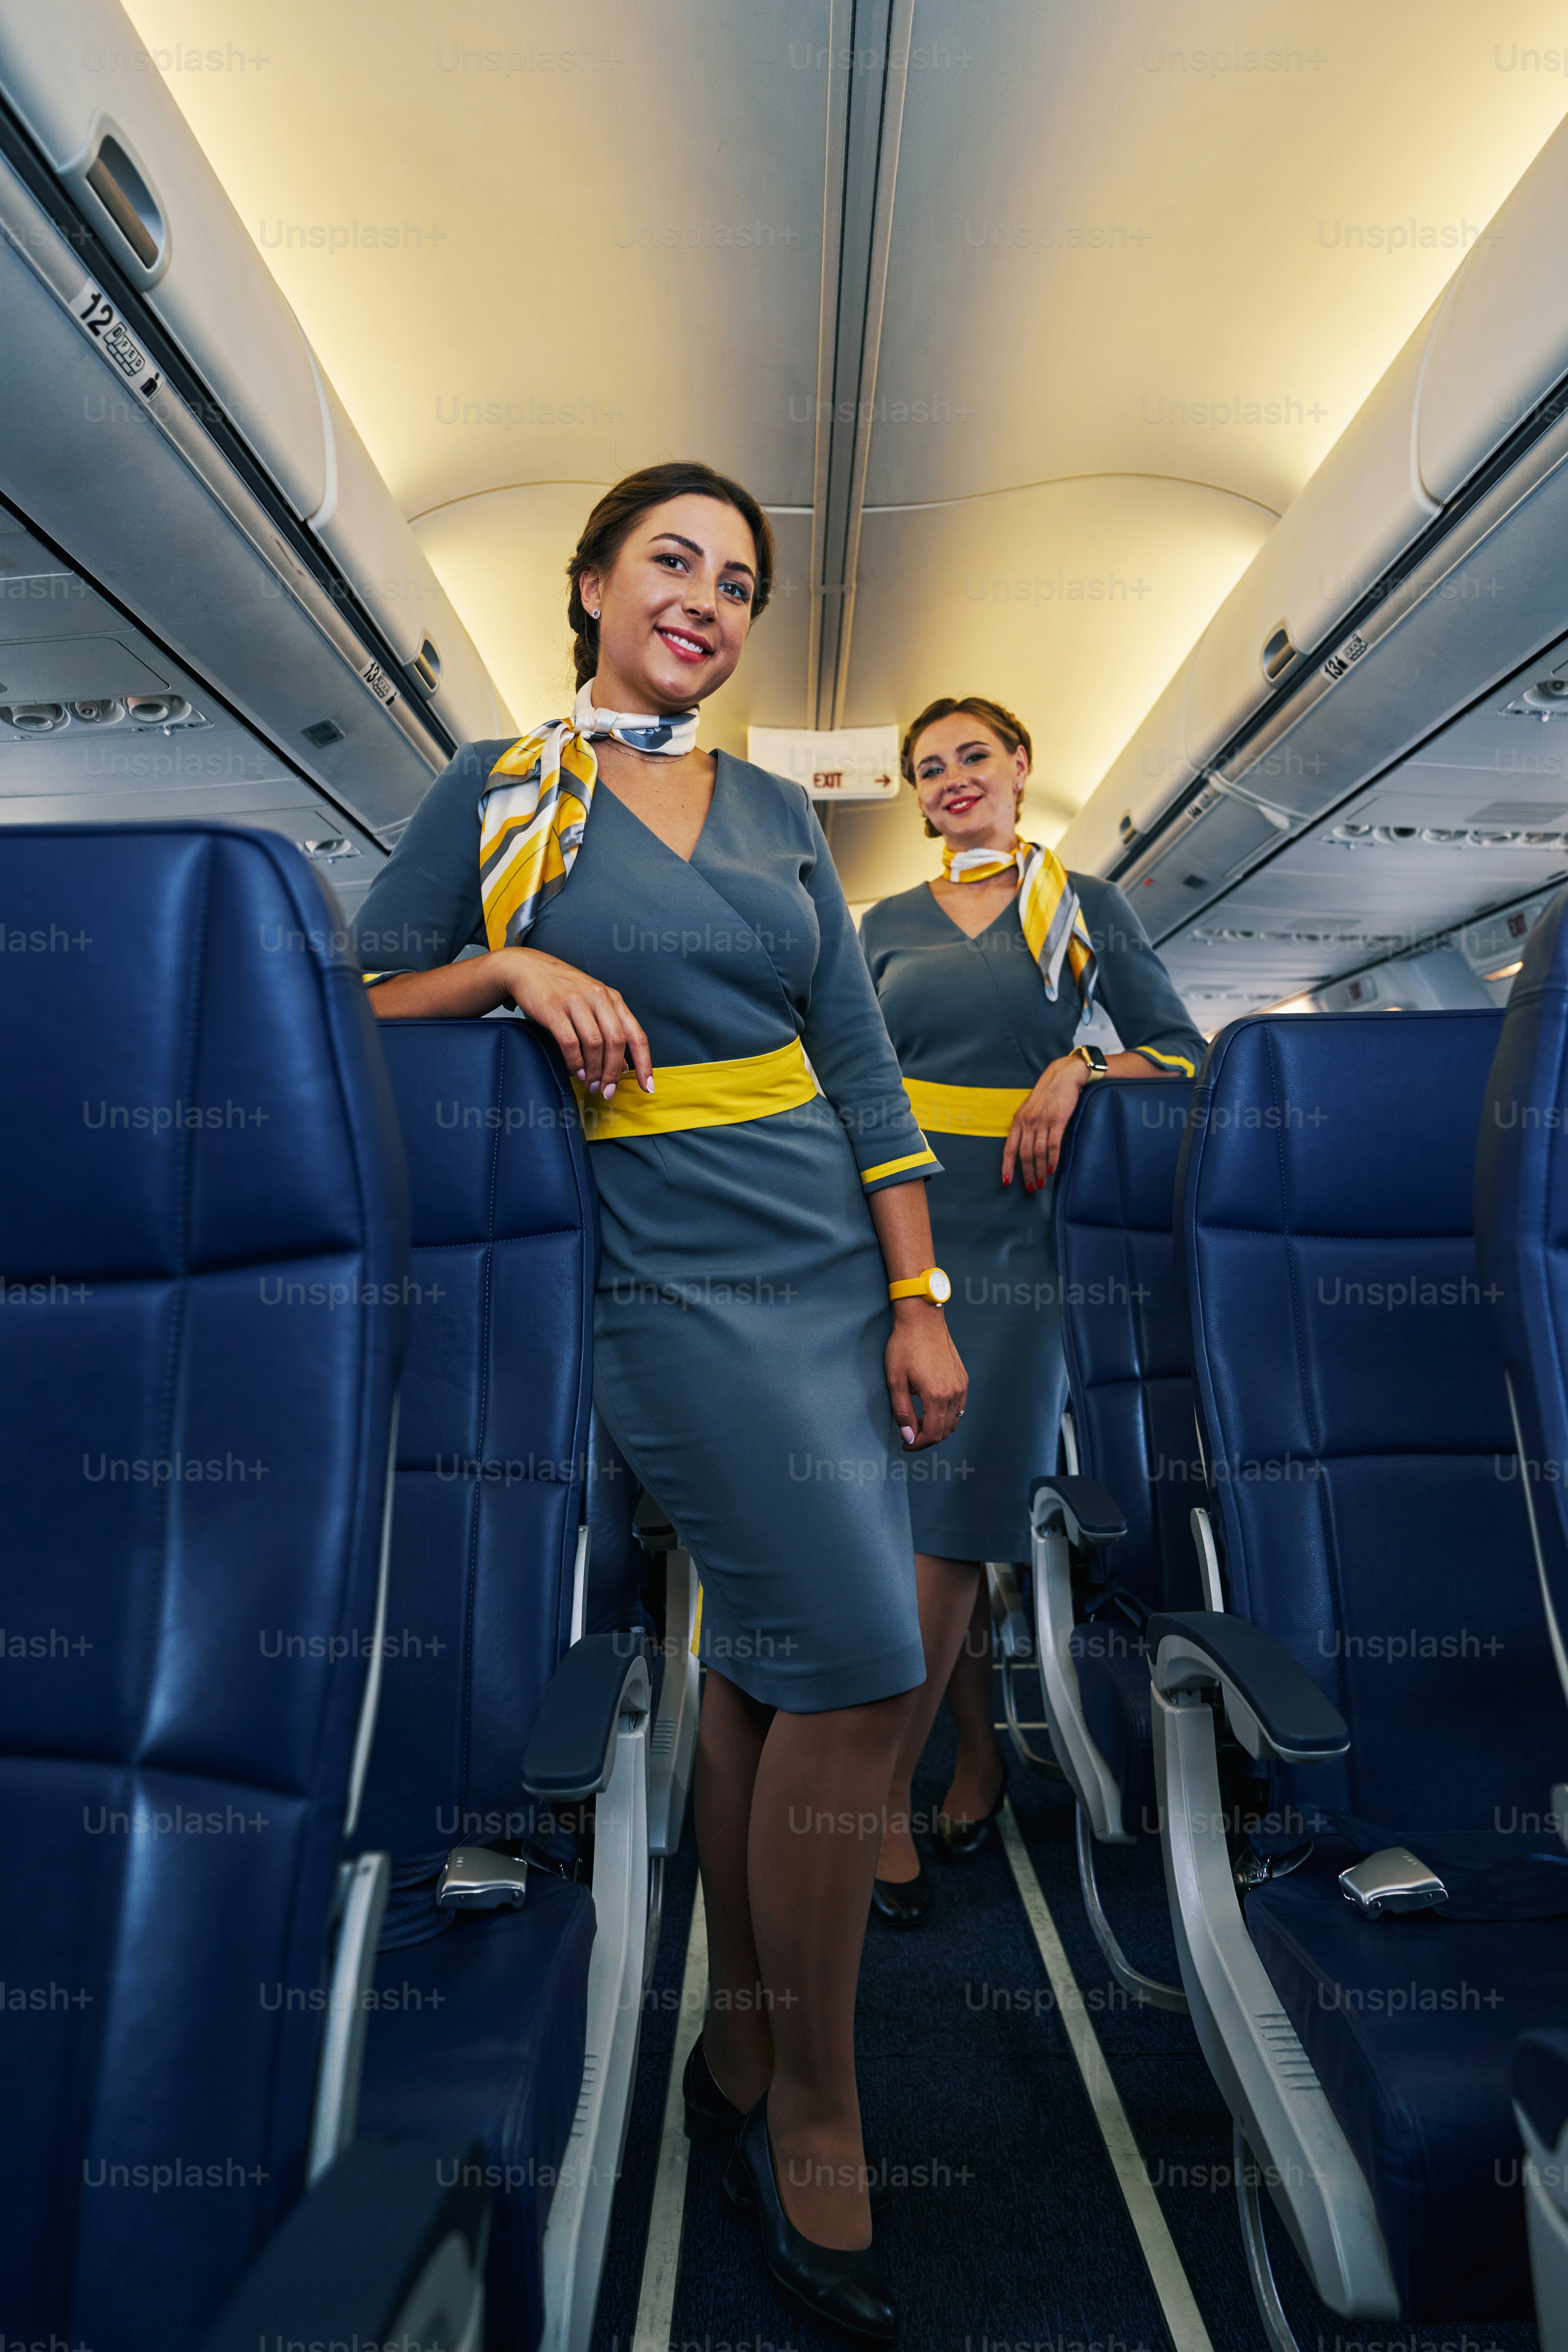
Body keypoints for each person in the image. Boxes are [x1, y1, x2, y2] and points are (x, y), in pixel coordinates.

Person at [350, 462, 966, 2340]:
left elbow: (856, 1065)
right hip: (670, 1271)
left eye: (738, 579)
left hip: (826, 1248)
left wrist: (920, 1290)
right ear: (595, 585)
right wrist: (515, 964)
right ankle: (815, 2100)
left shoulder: (782, 811)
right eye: (671, 562)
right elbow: (359, 994)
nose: (704, 595)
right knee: (864, 1667)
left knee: (766, 1665)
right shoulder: (505, 793)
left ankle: (748, 2025)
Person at [858, 694, 1204, 1923]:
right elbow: (846, 1074)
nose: (950, 778)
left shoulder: (1079, 905)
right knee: (911, 1520)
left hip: (1013, 1244)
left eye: (971, 757)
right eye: (926, 767)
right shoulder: (879, 924)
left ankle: (880, 1796)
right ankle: (983, 1751)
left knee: (952, 1519)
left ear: (1018, 766)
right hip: (889, 1236)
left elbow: (1179, 1050)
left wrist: (1074, 1066)